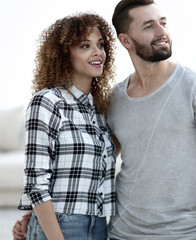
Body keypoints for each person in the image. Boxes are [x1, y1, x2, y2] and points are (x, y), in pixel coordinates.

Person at [106, 0, 196, 239]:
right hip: (121, 233)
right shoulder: (115, 99)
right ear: (125, 40)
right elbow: (98, 166)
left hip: (182, 233)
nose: (161, 32)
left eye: (163, 23)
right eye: (149, 26)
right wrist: (39, 211)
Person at [11, 12, 117, 240]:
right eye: (85, 46)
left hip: (99, 225)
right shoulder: (47, 102)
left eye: (100, 44)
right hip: (62, 226)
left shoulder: (100, 110)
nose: (97, 52)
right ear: (64, 54)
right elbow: (36, 182)